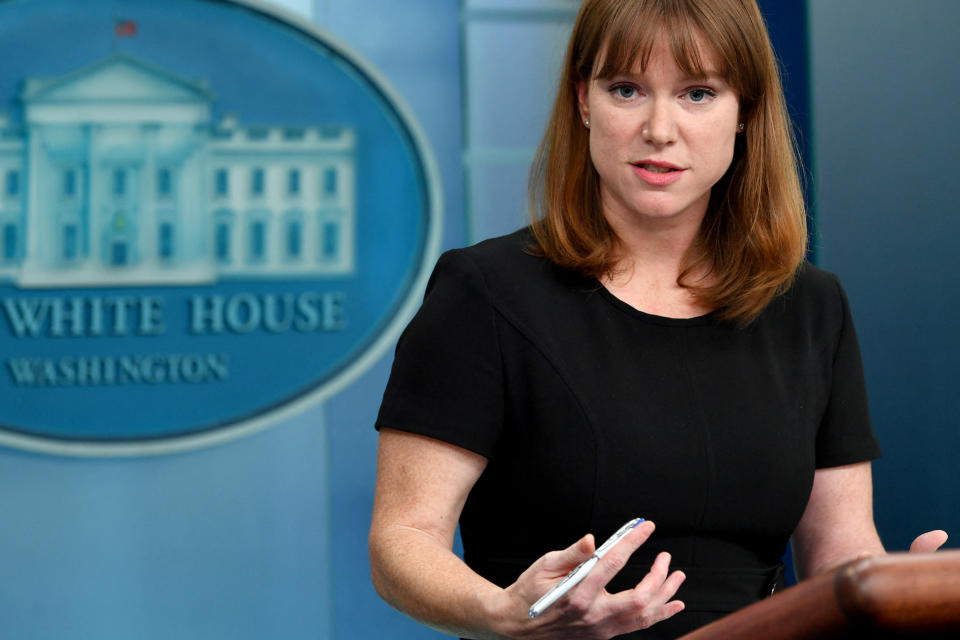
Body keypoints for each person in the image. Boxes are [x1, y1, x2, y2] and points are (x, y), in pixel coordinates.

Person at [368, 1, 948, 638]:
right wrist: (506, 613)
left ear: (746, 111)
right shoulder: (485, 291)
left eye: (698, 93)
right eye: (627, 90)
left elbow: (838, 547)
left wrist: (890, 598)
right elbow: (402, 541)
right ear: (583, 101)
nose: (659, 128)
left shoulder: (811, 307)